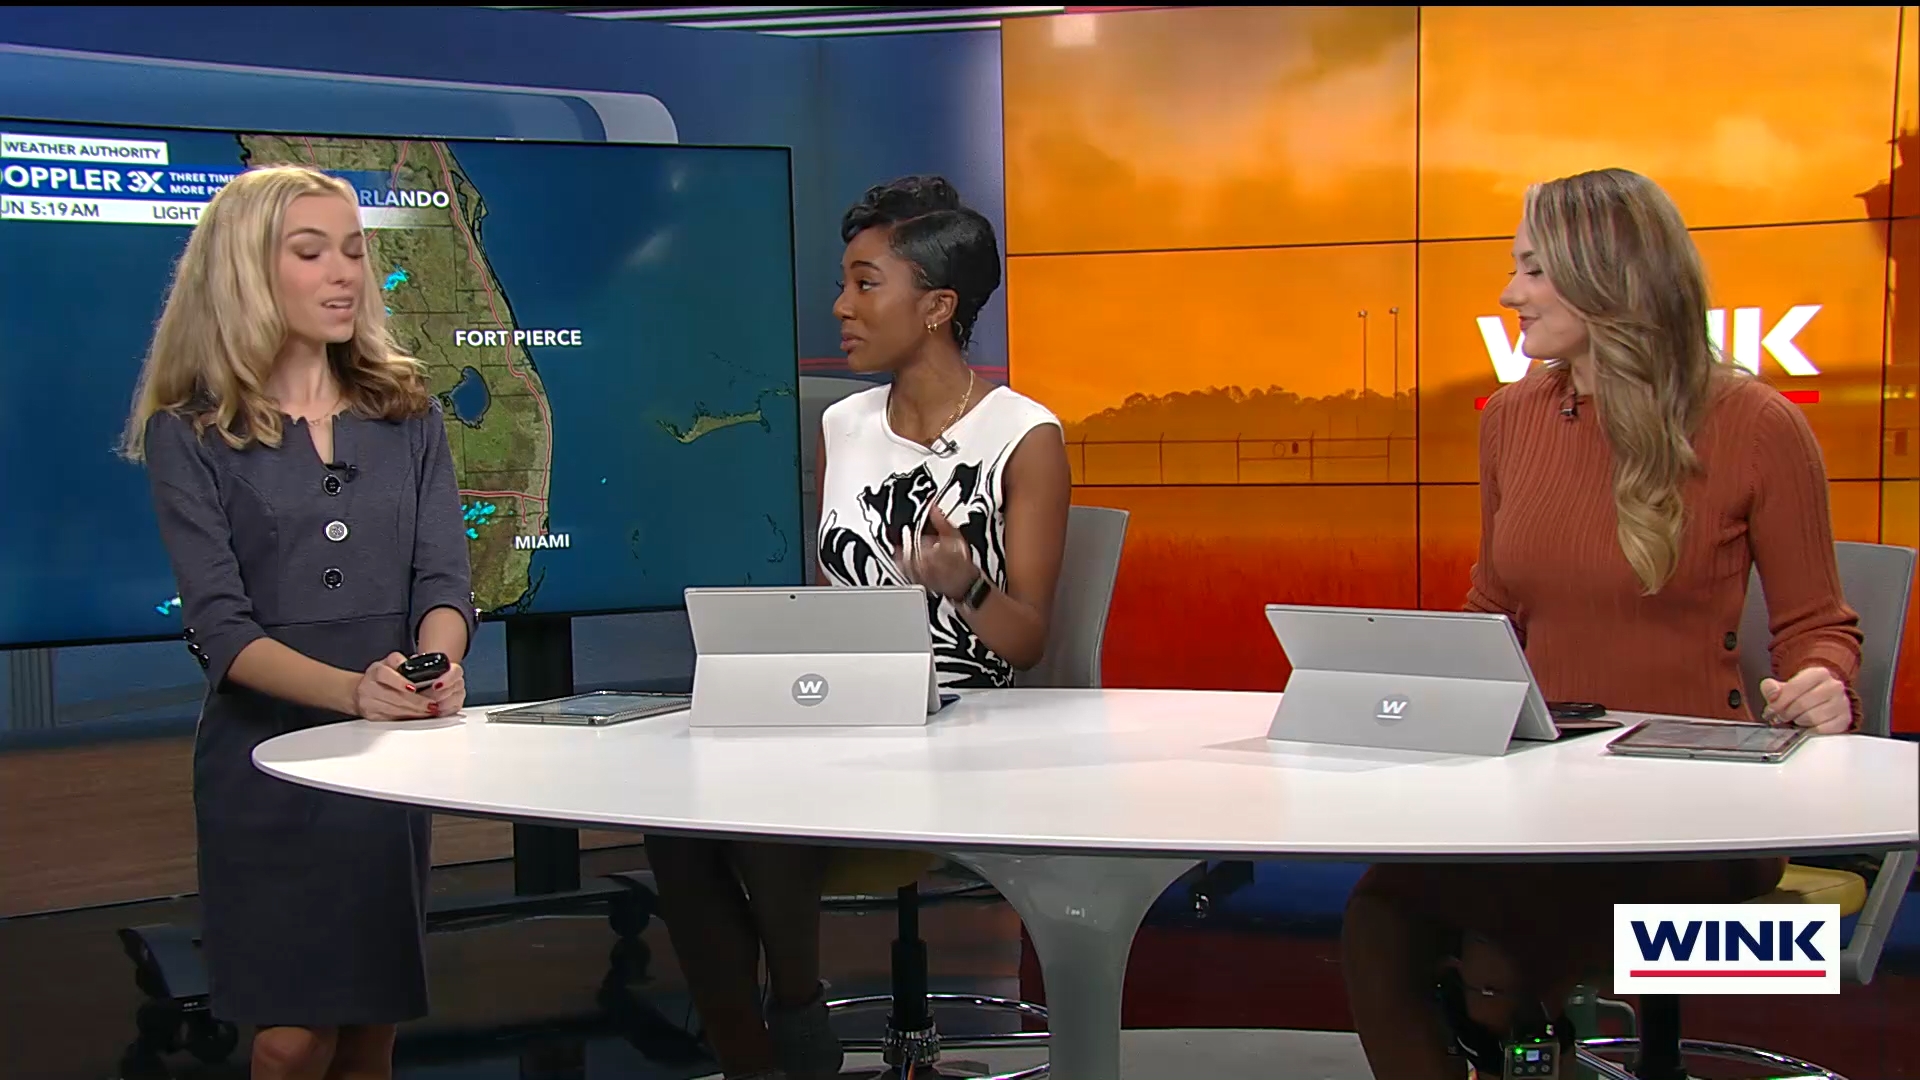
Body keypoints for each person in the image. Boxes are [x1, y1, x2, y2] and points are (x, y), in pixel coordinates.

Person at [1339, 167, 1863, 1079]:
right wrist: (1422, 689)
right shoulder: (1512, 418)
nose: (1510, 294)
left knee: (1503, 949)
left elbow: (1820, 624)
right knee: (1380, 918)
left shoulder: (1755, 424)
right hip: (1540, 795)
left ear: (1609, 276)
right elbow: (1494, 610)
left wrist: (1823, 680)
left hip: (1700, 816)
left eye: (1534, 270)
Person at [642, 175, 1072, 1080]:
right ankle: (759, 1055)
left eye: (865, 284)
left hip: (967, 728)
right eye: (844, 282)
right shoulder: (842, 425)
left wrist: (963, 583)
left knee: (769, 798)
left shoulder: (1024, 436)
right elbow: (829, 602)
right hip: (842, 711)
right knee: (675, 820)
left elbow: (1030, 642)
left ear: (937, 307)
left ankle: (797, 1016)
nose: (840, 306)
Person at [121, 165, 474, 1080]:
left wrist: (435, 666)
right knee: (292, 1038)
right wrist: (355, 692)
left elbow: (444, 580)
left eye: (353, 250)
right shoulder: (191, 433)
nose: (344, 273)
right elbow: (222, 631)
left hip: (387, 761)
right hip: (267, 765)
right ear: (247, 270)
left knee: (369, 1028)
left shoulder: (408, 413)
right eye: (311, 252)